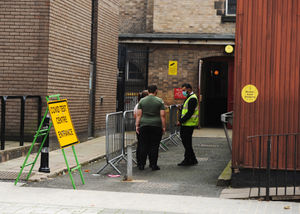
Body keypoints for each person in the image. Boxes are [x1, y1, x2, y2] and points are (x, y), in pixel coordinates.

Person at [135, 85, 166, 170]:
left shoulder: (142, 101)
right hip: (156, 125)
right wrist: (163, 127)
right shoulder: (160, 101)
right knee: (154, 146)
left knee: (143, 145)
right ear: (156, 91)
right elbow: (162, 115)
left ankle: (141, 165)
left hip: (144, 125)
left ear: (148, 91)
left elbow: (138, 115)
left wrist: (137, 125)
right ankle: (153, 165)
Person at [177, 83, 198, 166]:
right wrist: (181, 108)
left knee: (187, 143)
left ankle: (187, 159)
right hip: (187, 124)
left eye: (184, 90)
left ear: (189, 89)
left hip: (188, 124)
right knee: (187, 143)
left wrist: (180, 121)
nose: (183, 92)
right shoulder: (189, 97)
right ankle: (193, 159)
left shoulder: (192, 98)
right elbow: (187, 109)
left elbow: (190, 112)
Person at [133, 90, 148, 167]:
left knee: (140, 144)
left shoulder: (137, 105)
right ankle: (142, 162)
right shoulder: (142, 105)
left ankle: (140, 162)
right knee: (145, 145)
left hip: (139, 126)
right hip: (142, 126)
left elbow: (135, 115)